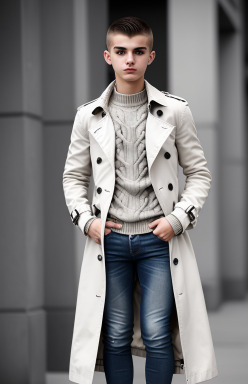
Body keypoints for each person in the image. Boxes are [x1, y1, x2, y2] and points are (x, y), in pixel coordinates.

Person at [63, 15, 218, 384]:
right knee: (115, 334)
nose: (129, 59)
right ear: (108, 56)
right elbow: (73, 176)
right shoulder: (89, 116)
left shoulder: (175, 110)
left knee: (156, 333)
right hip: (110, 240)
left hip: (158, 240)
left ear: (151, 56)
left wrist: (178, 219)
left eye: (138, 51)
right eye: (121, 51)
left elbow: (199, 173)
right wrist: (87, 221)